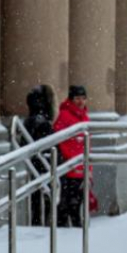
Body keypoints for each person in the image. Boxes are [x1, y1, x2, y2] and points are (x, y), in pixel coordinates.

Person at [52, 85, 91, 227]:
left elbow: (87, 146)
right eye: (77, 98)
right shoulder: (64, 115)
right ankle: (67, 234)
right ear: (71, 99)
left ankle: (74, 233)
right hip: (69, 169)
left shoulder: (85, 117)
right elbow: (59, 141)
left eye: (83, 98)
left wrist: (89, 169)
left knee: (77, 204)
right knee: (67, 205)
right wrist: (71, 160)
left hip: (80, 168)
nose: (81, 101)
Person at [21, 85, 57, 226]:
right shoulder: (42, 122)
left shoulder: (31, 120)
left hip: (36, 163)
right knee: (42, 198)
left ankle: (38, 222)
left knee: (38, 198)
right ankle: (40, 223)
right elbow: (48, 146)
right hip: (42, 163)